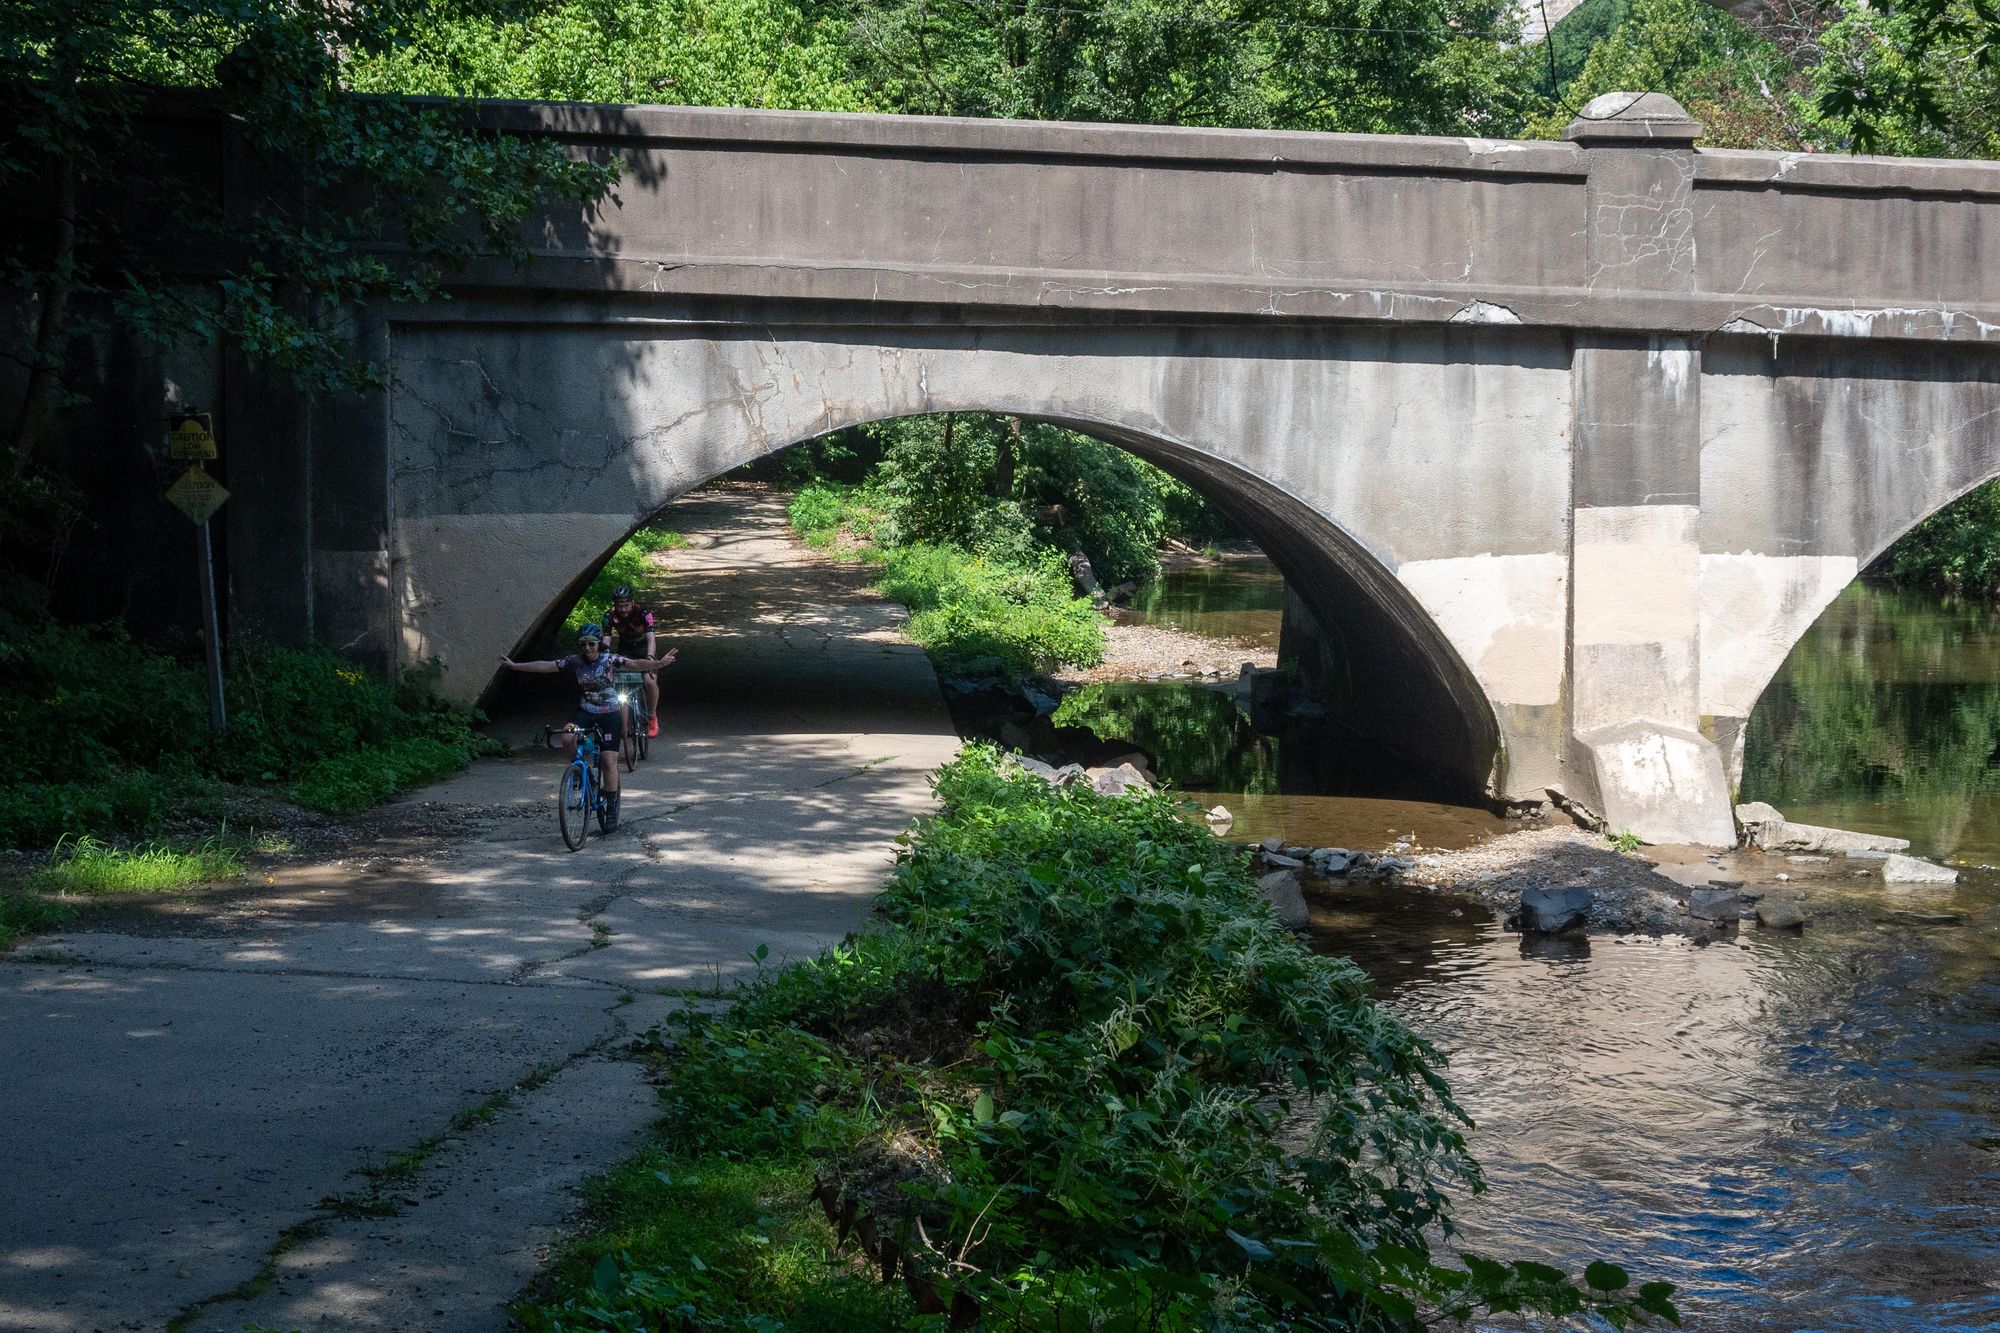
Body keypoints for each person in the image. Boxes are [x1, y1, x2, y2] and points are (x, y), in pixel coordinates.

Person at [499, 624, 676, 831]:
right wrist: (515, 666)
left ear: (599, 644)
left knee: (608, 761)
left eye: (591, 644)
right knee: (566, 736)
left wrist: (660, 663)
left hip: (610, 713)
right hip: (586, 710)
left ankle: (610, 807)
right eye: (583, 644)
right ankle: (582, 772)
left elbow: (634, 664)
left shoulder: (609, 660)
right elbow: (545, 666)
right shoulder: (575, 661)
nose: (587, 648)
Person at [605, 585, 660, 738]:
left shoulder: (643, 613)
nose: (623, 610)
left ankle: (652, 716)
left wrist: (650, 658)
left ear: (632, 602)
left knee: (649, 682)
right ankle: (623, 725)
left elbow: (651, 640)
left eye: (626, 605)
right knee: (621, 686)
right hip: (626, 649)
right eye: (619, 606)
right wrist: (605, 661)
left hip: (644, 649)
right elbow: (606, 641)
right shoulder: (609, 615)